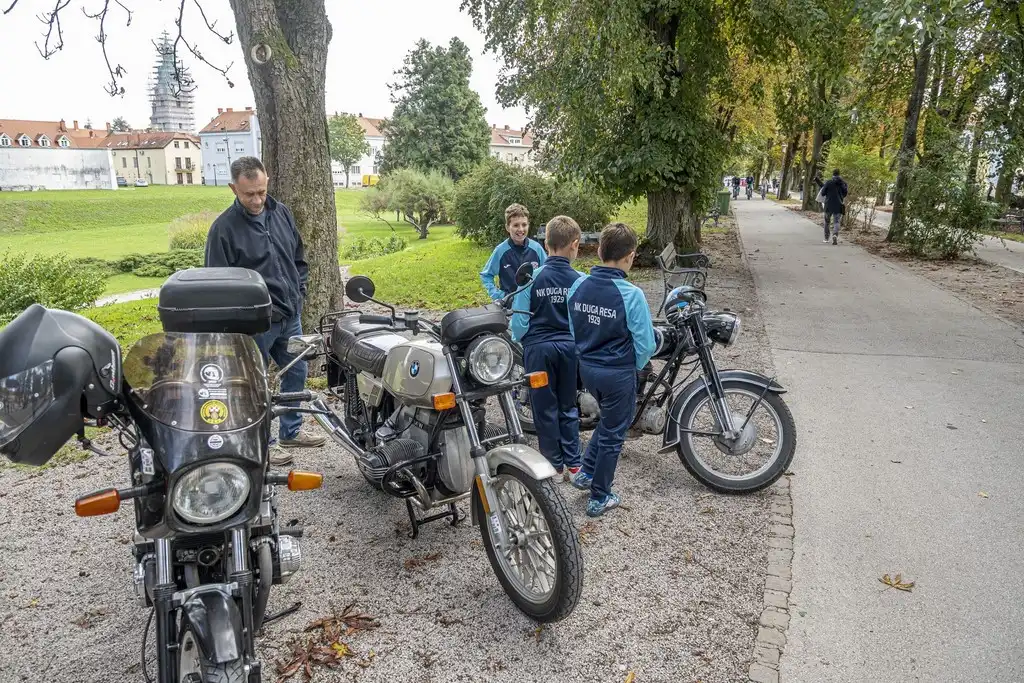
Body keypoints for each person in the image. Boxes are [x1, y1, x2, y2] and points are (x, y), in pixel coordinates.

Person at [204, 156, 326, 465]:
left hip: (290, 316)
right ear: (233, 188)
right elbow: (216, 284)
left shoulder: (280, 212)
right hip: (254, 324)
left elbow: (298, 257)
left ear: (267, 181)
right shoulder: (223, 229)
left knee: (297, 371)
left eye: (261, 191)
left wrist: (299, 292)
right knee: (254, 384)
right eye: (249, 194)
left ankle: (291, 431)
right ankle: (263, 443)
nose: (257, 200)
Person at [567, 223, 656, 517]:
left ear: (600, 250)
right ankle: (600, 496)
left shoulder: (578, 285)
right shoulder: (631, 295)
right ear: (630, 256)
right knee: (615, 433)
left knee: (607, 426)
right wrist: (635, 368)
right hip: (618, 373)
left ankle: (586, 472)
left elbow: (573, 328)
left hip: (588, 369)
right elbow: (645, 344)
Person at [510, 216, 585, 481]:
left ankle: (553, 464)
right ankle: (574, 464)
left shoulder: (531, 278)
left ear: (546, 243)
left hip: (539, 350)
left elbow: (519, 322)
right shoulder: (580, 280)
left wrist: (521, 339)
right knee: (568, 404)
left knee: (544, 409)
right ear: (574, 245)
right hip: (569, 350)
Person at [479, 203, 547, 301]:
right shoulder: (501, 251)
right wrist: (500, 296)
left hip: (533, 304)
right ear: (507, 227)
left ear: (528, 225)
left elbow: (548, 272)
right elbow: (486, 275)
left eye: (524, 225)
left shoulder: (536, 248)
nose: (520, 229)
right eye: (515, 225)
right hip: (510, 306)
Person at [819, 169, 849, 245]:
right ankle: (835, 235)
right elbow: (845, 194)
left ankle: (826, 238)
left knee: (827, 222)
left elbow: (823, 193)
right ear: (839, 174)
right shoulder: (843, 183)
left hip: (828, 205)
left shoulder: (828, 182)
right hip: (838, 205)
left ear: (833, 174)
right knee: (836, 221)